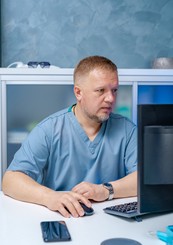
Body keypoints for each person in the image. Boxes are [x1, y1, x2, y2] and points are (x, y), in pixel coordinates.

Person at [2, 55, 137, 218]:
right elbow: (11, 180)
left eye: (114, 90)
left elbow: (142, 180)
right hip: (62, 217)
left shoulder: (127, 129)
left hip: (111, 220)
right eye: (101, 90)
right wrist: (49, 196)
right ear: (78, 92)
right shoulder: (49, 129)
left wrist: (105, 190)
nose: (111, 98)